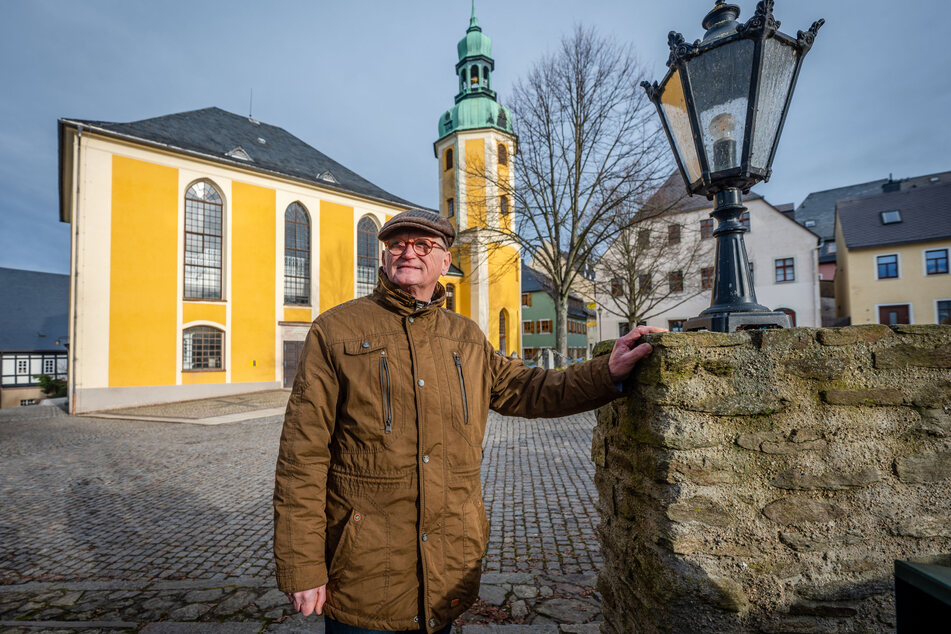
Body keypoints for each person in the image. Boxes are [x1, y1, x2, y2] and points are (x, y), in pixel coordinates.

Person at [273, 209, 662, 633]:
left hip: (447, 564)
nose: (409, 252)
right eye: (398, 244)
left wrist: (607, 371)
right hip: (365, 566)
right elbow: (302, 458)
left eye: (424, 245)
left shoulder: (466, 337)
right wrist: (302, 566)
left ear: (445, 262)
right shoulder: (336, 330)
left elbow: (530, 388)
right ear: (383, 259)